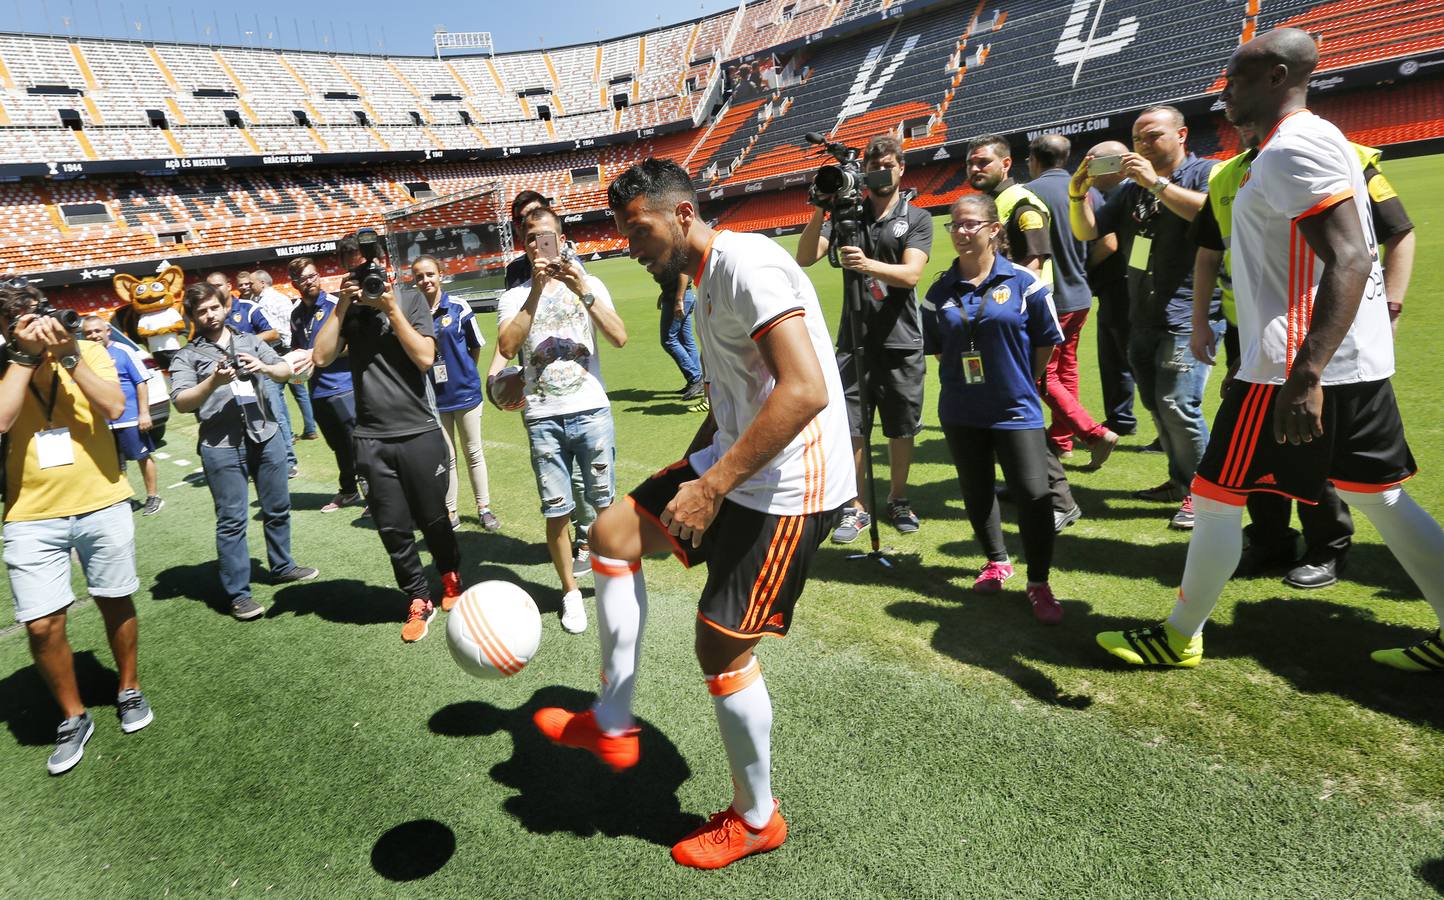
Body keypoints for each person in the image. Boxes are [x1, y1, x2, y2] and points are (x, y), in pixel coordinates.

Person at [532, 157, 854, 869]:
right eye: (622, 232)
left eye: (638, 229)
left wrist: (710, 490)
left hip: (792, 484)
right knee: (611, 530)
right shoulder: (704, 282)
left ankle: (757, 818)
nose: (631, 245)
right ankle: (613, 721)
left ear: (682, 215)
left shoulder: (746, 267)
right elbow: (733, 402)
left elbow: (803, 392)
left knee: (720, 644)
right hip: (738, 463)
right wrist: (688, 471)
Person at [1097, 27, 1444, 673]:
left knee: (1217, 496)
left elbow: (1348, 258)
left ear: (1279, 77)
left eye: (1238, 78)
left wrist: (1306, 374)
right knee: (1382, 499)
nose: (1225, 91)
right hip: (1346, 363)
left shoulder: (1296, 148)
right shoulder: (1297, 146)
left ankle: (1179, 636)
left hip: (1289, 368)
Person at [1190, 128, 1419, 588]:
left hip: (1317, 339)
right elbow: (1211, 251)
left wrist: (1390, 306)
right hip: (1252, 335)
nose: (1230, 101)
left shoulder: (1340, 154)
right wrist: (1202, 320)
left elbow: (1397, 231)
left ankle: (1326, 548)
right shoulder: (1227, 177)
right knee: (1260, 451)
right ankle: (1270, 541)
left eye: (1242, 82)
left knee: (1320, 446)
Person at [0, 283, 153, 775]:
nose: (37, 326)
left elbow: (114, 408)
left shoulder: (86, 348)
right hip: (28, 510)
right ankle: (73, 714)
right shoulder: (8, 364)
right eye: (21, 321)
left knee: (114, 596)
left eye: (37, 315)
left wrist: (69, 359)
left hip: (100, 499)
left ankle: (128, 686)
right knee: (41, 623)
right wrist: (23, 360)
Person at [1069, 106, 1223, 530]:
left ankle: (1206, 493)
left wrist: (1156, 183)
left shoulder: (1206, 172)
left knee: (1179, 404)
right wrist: (1078, 192)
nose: (1143, 145)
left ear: (1182, 134)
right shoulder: (1129, 190)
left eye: (1153, 136)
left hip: (1190, 313)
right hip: (1144, 314)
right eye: (1137, 139)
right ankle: (1179, 480)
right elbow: (1087, 232)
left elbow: (1213, 215)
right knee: (1157, 404)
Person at [923, 194, 1066, 623]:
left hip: (1016, 409)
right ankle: (996, 561)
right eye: (955, 225)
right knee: (976, 489)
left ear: (994, 229)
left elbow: (1045, 341)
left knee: (1034, 495)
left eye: (971, 224)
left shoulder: (1025, 282)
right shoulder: (939, 290)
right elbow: (939, 350)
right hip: (961, 410)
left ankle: (1039, 583)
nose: (962, 232)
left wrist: (1017, 379)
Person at [313, 236, 463, 643]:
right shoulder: (348, 307)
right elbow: (322, 357)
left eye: (370, 266)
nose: (367, 276)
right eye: (355, 267)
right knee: (392, 527)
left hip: (418, 430)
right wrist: (343, 304)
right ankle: (417, 597)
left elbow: (425, 358)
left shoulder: (411, 300)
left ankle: (449, 574)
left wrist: (390, 308)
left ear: (385, 265)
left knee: (434, 517)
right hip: (371, 437)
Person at [497, 208, 627, 633]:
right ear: (524, 243)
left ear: (562, 236)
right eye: (531, 238)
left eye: (546, 236)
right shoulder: (514, 296)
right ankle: (571, 593)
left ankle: (611, 587)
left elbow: (619, 337)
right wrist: (535, 292)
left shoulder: (590, 283)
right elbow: (507, 343)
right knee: (558, 512)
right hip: (544, 416)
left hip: (591, 411)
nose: (539, 244)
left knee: (605, 508)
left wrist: (582, 288)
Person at [795, 134, 931, 541]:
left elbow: (912, 275)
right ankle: (856, 507)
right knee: (854, 426)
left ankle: (898, 498)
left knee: (900, 426)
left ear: (901, 168)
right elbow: (805, 257)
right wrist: (823, 210)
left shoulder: (917, 218)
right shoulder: (849, 216)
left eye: (888, 165)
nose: (880, 172)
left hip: (901, 337)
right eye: (873, 166)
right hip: (854, 334)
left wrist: (868, 263)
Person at [169, 283, 319, 620]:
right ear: (192, 316)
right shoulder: (187, 355)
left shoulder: (250, 340)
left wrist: (264, 368)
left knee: (278, 507)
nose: (209, 315)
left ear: (224, 307)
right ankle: (238, 594)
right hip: (221, 446)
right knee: (232, 521)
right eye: (201, 311)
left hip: (266, 436)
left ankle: (282, 566)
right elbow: (180, 401)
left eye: (213, 308)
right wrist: (212, 383)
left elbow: (284, 370)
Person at [967, 133, 1083, 531]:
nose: (975, 168)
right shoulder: (994, 204)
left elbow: (1033, 263)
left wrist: (1003, 308)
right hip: (996, 324)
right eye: (971, 163)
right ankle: (1023, 484)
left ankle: (1060, 500)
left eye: (983, 161)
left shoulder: (1021, 202)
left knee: (1021, 413)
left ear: (1005, 164)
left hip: (1017, 325)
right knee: (1002, 412)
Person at [499, 190, 597, 574]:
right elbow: (510, 335)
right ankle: (571, 533)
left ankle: (587, 537)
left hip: (575, 383)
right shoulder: (515, 272)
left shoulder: (574, 264)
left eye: (538, 220)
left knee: (585, 471)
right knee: (558, 471)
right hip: (536, 386)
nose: (533, 228)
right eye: (524, 222)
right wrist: (498, 373)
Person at [1026, 133, 1118, 468]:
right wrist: (1083, 269)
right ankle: (1062, 441)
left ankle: (1092, 433)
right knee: (1066, 368)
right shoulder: (1088, 191)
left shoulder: (1027, 194)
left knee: (1042, 374)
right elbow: (1109, 244)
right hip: (1080, 295)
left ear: (1033, 160)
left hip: (1051, 298)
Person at [411, 255, 499, 531]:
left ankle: (484, 508)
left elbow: (475, 346)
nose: (425, 280)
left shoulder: (459, 307)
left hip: (466, 394)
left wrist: (465, 373)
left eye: (429, 274)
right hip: (434, 398)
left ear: (440, 274)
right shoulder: (413, 314)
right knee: (446, 457)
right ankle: (450, 510)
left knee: (473, 452)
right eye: (419, 277)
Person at [287, 256, 363, 514]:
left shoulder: (335, 304)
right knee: (338, 446)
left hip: (344, 387)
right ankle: (349, 491)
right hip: (317, 390)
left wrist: (319, 354)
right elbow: (299, 349)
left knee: (359, 445)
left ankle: (375, 496)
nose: (309, 281)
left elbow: (356, 343)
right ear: (294, 283)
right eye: (303, 278)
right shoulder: (296, 315)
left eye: (312, 275)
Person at [211, 272, 298, 477]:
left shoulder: (248, 308)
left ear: (228, 285)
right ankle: (255, 461)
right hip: (233, 379)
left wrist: (244, 344)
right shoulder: (213, 316)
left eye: (219, 285)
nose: (215, 290)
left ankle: (288, 462)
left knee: (274, 415)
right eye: (211, 286)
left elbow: (273, 333)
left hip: (261, 375)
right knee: (245, 419)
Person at [1082, 139, 1137, 437]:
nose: (1089, 169)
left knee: (1129, 357)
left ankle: (1159, 423)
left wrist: (1085, 267)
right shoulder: (1112, 193)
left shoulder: (1126, 193)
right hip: (1116, 287)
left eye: (1094, 163)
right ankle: (1120, 419)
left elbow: (1110, 242)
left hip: (1124, 286)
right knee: (1114, 358)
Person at [80, 316, 162, 515]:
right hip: (102, 422)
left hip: (130, 418)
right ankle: (124, 499)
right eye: (88, 333)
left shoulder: (123, 351)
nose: (93, 336)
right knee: (114, 462)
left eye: (97, 331)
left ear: (108, 331)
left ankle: (153, 497)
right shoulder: (82, 355)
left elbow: (141, 382)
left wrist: (144, 413)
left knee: (142, 456)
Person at [249, 268, 319, 444]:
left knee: (280, 395)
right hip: (284, 350)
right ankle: (308, 430)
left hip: (283, 351)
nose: (249, 286)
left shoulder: (274, 299)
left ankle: (290, 435)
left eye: (251, 283)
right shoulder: (257, 300)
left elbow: (287, 326)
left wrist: (290, 346)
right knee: (298, 392)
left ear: (262, 282)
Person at [660, 272, 704, 400]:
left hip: (678, 298)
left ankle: (695, 378)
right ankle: (697, 380)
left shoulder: (672, 252)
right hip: (684, 296)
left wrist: (679, 300)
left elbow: (683, 272)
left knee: (668, 340)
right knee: (686, 340)